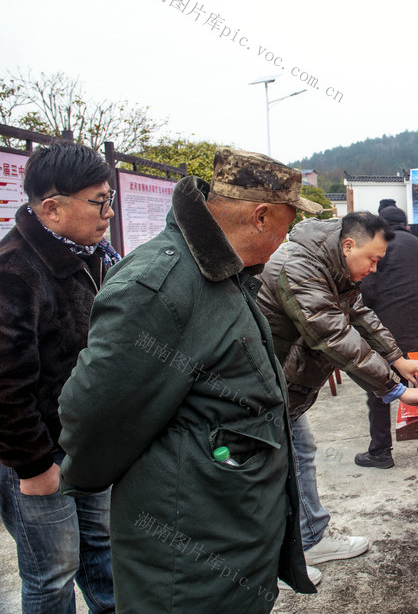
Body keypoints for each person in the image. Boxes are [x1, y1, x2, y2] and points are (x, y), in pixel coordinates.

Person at [58, 147, 324, 610]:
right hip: (189, 550)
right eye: (289, 221)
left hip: (229, 531)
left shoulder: (221, 272)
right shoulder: (160, 284)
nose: (289, 234)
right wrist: (84, 477)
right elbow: (98, 413)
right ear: (261, 217)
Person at [257, 211, 418, 567]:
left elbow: (358, 312)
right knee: (273, 463)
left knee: (297, 453)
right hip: (260, 383)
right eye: (373, 260)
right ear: (348, 245)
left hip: (280, 380)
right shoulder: (301, 269)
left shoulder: (330, 263)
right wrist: (395, 390)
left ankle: (308, 538)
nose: (375, 269)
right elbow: (335, 335)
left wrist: (397, 359)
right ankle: (286, 554)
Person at [0, 141, 118, 613]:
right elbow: (5, 383)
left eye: (109, 198)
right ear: (51, 208)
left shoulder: (91, 256)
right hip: (34, 453)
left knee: (103, 554)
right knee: (53, 574)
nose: (108, 213)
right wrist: (33, 467)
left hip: (84, 445)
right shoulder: (14, 271)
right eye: (98, 202)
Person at [358, 206, 418, 467]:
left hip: (385, 330)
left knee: (378, 388)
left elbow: (367, 292)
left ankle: (380, 451)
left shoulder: (381, 246)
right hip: (417, 327)